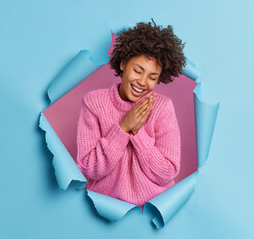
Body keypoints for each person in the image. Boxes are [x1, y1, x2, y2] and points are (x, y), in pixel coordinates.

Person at [75, 20, 186, 206]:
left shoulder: (162, 108)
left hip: (151, 210)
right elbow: (89, 168)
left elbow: (167, 173)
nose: (143, 82)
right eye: (138, 70)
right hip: (105, 207)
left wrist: (137, 132)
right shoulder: (94, 102)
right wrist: (123, 127)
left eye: (152, 77)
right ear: (123, 64)